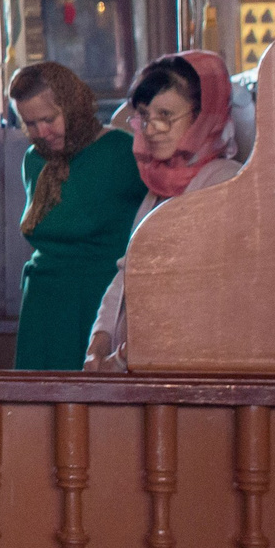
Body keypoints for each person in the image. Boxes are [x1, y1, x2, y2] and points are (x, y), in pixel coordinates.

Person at [87, 51, 241, 368]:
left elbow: (196, 295)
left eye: (165, 115)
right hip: (132, 364)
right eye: (144, 116)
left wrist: (120, 360)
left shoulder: (224, 183)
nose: (151, 128)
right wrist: (98, 344)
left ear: (204, 116)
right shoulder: (160, 183)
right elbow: (127, 272)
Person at [9, 59, 148, 370]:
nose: (41, 132)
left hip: (95, 304)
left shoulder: (121, 152)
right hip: (42, 306)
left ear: (71, 107)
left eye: (48, 119)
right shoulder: (34, 160)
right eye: (30, 124)